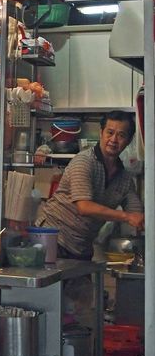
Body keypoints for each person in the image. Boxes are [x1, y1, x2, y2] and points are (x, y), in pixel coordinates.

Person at [36, 110, 144, 261]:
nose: (114, 139)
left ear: (129, 140)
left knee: (82, 285)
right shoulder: (84, 161)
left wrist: (140, 220)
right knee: (52, 284)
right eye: (110, 132)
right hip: (52, 239)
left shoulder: (125, 179)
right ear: (101, 132)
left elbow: (137, 214)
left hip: (81, 248)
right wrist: (126, 216)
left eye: (121, 135)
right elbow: (84, 207)